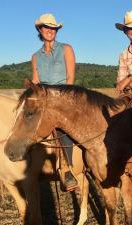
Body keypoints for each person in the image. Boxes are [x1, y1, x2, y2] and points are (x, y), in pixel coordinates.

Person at [31, 13, 78, 191]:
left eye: (53, 28)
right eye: (46, 27)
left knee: (60, 126)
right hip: (43, 98)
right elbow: (36, 81)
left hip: (64, 97)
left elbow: (70, 79)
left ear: (56, 31)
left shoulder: (66, 49)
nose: (50, 31)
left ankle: (66, 170)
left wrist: (59, 101)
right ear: (40, 30)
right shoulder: (35, 56)